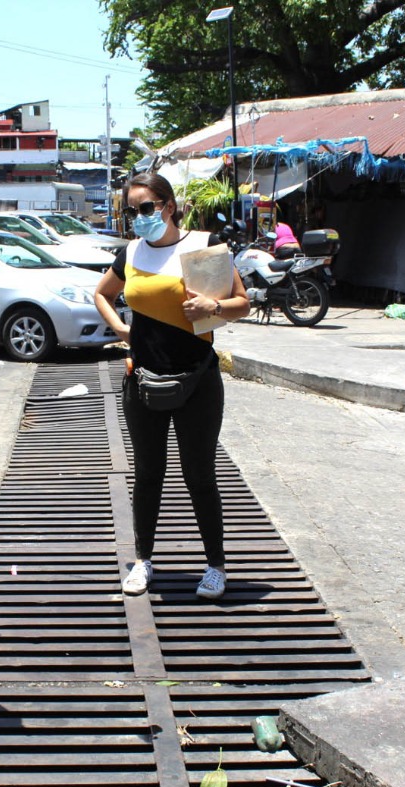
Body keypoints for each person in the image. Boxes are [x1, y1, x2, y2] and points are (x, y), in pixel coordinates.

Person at [94, 172, 250, 600]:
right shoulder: (130, 253)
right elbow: (102, 294)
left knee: (199, 474)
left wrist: (212, 305)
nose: (139, 217)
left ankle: (215, 566)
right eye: (132, 210)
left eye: (146, 207)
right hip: (143, 378)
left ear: (168, 204)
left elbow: (242, 304)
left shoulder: (201, 245)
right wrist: (123, 331)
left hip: (197, 377)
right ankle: (143, 560)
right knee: (148, 473)